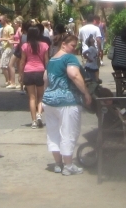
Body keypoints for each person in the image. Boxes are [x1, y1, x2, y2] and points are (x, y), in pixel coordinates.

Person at [43, 34, 93, 176]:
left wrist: (44, 96)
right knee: (69, 132)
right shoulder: (69, 58)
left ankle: (58, 163)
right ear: (63, 44)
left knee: (53, 133)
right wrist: (86, 93)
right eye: (72, 46)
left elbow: (45, 78)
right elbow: (74, 74)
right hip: (67, 101)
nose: (74, 49)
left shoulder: (52, 60)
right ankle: (69, 165)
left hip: (49, 101)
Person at [18, 27, 51, 128]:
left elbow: (22, 61)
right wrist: (48, 72)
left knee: (32, 97)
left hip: (28, 71)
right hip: (40, 71)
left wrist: (20, 74)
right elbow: (46, 60)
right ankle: (39, 114)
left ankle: (33, 121)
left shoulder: (25, 46)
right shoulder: (44, 45)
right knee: (41, 96)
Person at [0, 16, 16, 89]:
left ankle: (9, 81)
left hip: (9, 47)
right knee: (7, 65)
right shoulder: (3, 29)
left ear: (4, 20)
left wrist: (2, 39)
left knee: (3, 65)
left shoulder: (9, 28)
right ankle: (9, 81)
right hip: (4, 47)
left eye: (0, 20)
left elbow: (12, 38)